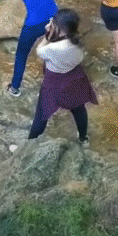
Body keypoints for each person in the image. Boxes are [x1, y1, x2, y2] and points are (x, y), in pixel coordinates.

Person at [28, 8, 98, 145]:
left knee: (42, 114)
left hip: (54, 82)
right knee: (79, 109)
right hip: (74, 79)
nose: (48, 26)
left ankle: (31, 142)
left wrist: (46, 37)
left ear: (61, 29)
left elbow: (39, 51)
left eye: (52, 24)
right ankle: (83, 138)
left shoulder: (54, 48)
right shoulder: (77, 43)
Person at [4, 0, 58, 97]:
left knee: (21, 55)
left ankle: (15, 88)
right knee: (54, 49)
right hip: (54, 19)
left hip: (33, 24)